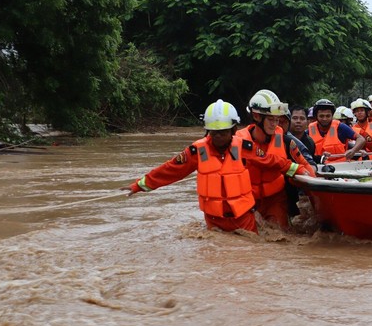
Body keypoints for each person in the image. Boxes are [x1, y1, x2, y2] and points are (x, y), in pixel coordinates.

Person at [121, 99, 311, 233]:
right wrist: (139, 185)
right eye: (214, 132)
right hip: (214, 221)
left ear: (233, 130)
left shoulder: (245, 147)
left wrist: (295, 169)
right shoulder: (196, 151)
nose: (218, 136)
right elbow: (170, 170)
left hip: (244, 219)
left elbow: (271, 161)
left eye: (223, 132)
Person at [238, 90, 316, 230]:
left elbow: (304, 163)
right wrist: (293, 168)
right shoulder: (239, 141)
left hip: (275, 199)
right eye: (270, 119)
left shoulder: (286, 141)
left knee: (280, 236)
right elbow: (265, 159)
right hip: (248, 200)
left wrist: (315, 186)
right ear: (256, 116)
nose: (274, 124)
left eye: (277, 120)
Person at [308, 98, 366, 163]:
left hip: (340, 167)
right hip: (318, 166)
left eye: (328, 116)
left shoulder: (340, 127)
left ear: (332, 116)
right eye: (321, 116)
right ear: (316, 116)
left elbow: (361, 139)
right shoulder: (309, 131)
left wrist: (353, 150)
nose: (325, 119)